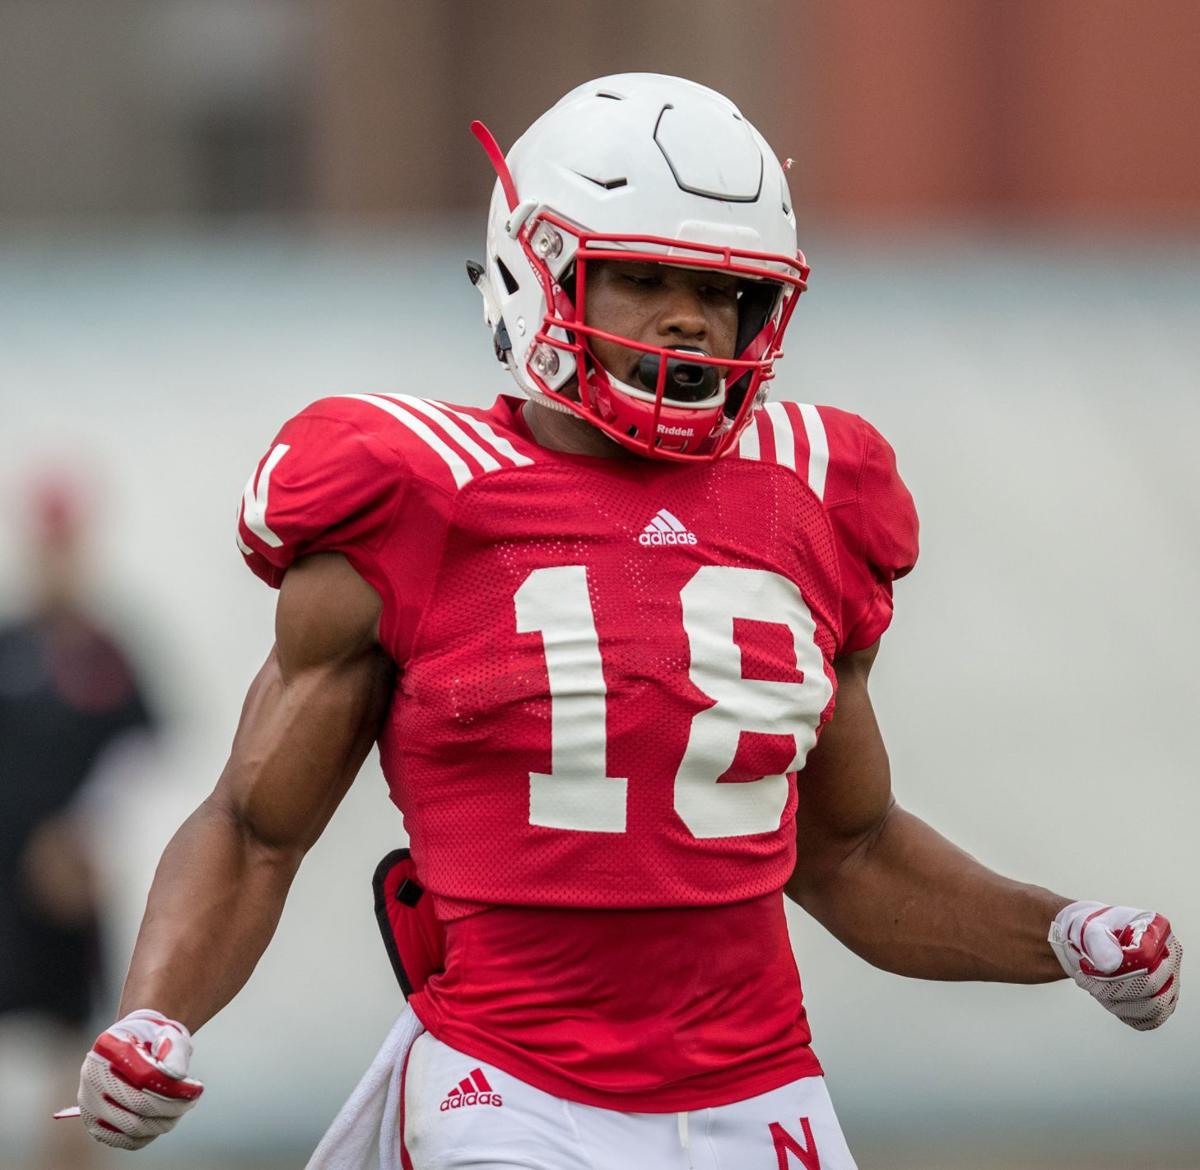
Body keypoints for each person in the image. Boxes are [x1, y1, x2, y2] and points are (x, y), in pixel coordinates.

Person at [70, 74, 1181, 1169]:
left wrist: (1060, 933)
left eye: (724, 289)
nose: (691, 318)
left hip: (762, 1093)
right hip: (507, 1094)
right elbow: (255, 828)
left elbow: (850, 850)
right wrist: (156, 1014)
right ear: (534, 272)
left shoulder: (810, 497)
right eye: (644, 277)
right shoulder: (419, 496)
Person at [0, 475, 155, 1170]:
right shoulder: (8, 645)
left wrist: (86, 835)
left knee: (77, 1046)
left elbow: (145, 752)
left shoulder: (109, 654)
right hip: (4, 876)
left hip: (69, 889)